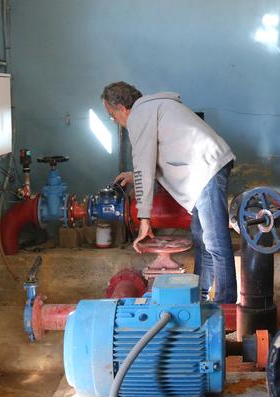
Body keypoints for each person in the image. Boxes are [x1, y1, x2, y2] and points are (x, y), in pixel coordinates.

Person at [101, 81, 237, 304]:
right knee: (202, 239)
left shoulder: (139, 115)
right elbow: (158, 153)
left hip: (205, 169)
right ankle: (201, 298)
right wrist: (132, 174)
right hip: (207, 167)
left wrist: (144, 219)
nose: (114, 121)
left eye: (111, 115)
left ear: (122, 108)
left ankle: (226, 305)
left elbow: (145, 164)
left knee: (214, 241)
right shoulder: (153, 108)